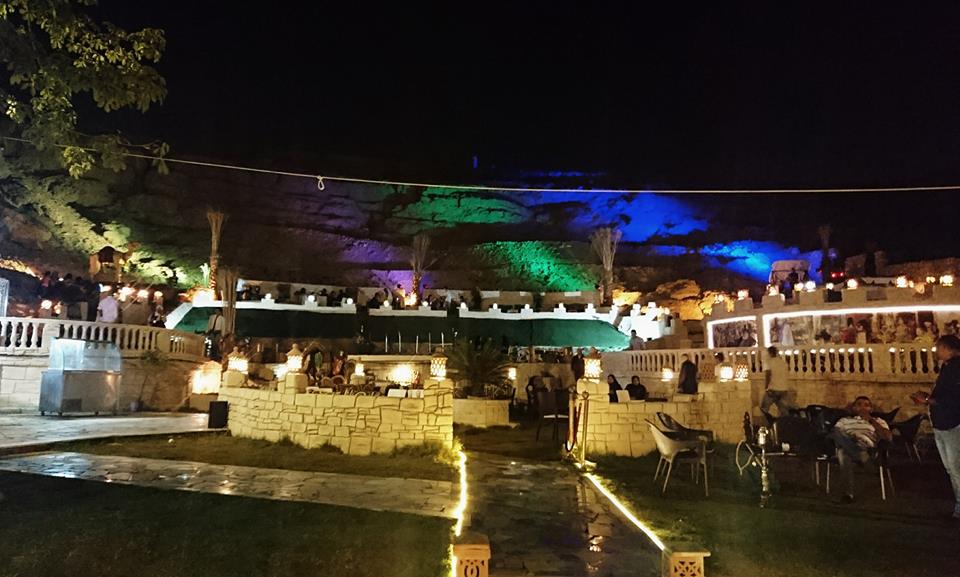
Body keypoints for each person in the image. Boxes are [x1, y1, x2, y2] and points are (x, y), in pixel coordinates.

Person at [912, 335, 960, 521]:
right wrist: (928, 398)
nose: (936, 351)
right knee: (951, 468)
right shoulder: (947, 367)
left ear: (947, 348)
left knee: (955, 468)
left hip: (952, 423)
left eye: (938, 348)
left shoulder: (955, 368)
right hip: (942, 423)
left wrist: (928, 400)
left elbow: (953, 398)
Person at [830, 396, 892, 503]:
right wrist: (850, 438)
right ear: (854, 408)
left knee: (843, 453)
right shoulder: (844, 420)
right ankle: (849, 494)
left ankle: (848, 494)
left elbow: (888, 437)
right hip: (851, 446)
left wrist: (871, 420)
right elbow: (835, 434)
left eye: (866, 405)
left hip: (868, 449)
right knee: (839, 443)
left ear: (871, 409)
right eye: (859, 405)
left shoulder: (878, 421)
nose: (862, 407)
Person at [761, 346, 791, 417]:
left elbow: (768, 375)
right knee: (784, 411)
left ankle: (768, 422)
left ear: (770, 353)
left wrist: (766, 387)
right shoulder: (783, 362)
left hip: (773, 389)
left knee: (764, 408)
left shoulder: (769, 362)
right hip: (784, 389)